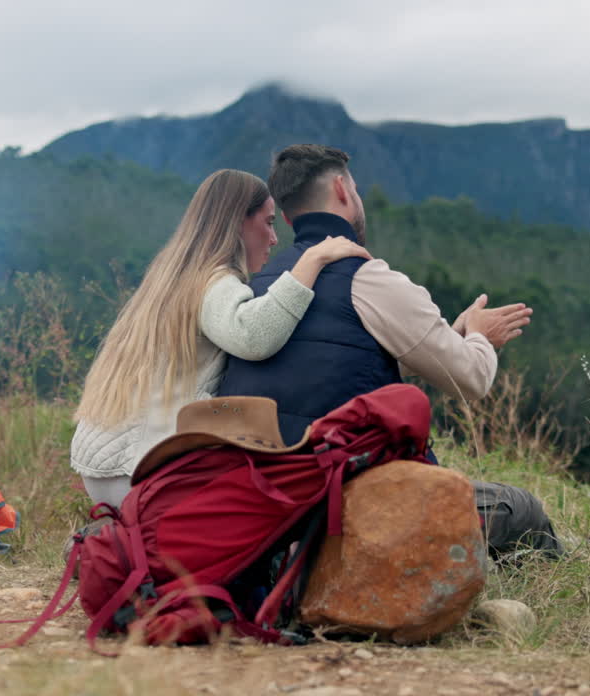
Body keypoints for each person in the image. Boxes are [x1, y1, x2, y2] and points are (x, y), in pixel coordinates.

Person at [217, 144, 562, 558]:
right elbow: (470, 378)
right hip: (353, 505)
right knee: (521, 510)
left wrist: (448, 336)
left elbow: (336, 364)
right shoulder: (369, 279)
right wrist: (480, 337)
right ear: (343, 190)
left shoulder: (256, 289)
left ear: (288, 217)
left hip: (266, 506)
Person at [70, 168, 370, 509]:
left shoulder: (169, 278)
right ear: (238, 222)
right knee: (273, 506)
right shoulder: (212, 281)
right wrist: (312, 260)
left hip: (103, 470)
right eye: (268, 222)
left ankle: (120, 538)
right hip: (142, 474)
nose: (274, 238)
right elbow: (253, 336)